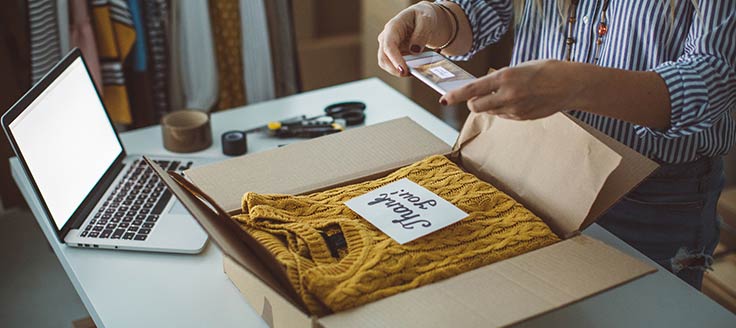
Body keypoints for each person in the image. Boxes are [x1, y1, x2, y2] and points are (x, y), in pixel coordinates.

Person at [377, 0, 735, 289]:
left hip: (651, 196)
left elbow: (712, 77)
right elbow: (483, 8)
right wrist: (436, 17)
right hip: (535, 163)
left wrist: (578, 86)